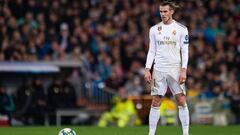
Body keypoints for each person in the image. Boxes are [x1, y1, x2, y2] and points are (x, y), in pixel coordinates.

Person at [144, 1, 190, 135]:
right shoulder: (154, 29)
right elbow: (151, 51)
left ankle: (185, 133)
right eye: (161, 12)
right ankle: (151, 133)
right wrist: (147, 69)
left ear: (171, 12)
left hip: (175, 68)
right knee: (156, 100)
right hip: (159, 69)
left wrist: (184, 69)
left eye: (165, 11)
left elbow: (185, 51)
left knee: (181, 99)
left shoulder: (182, 29)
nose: (162, 14)